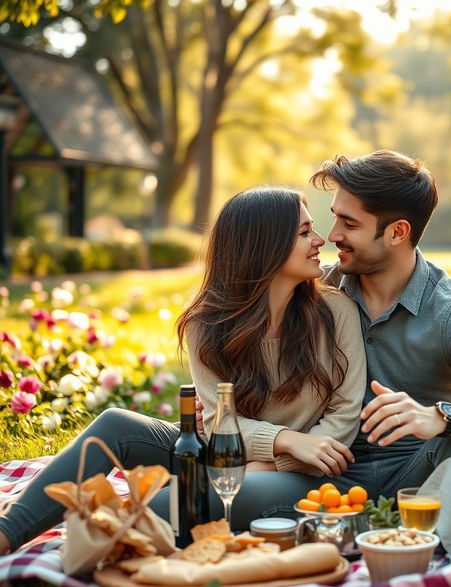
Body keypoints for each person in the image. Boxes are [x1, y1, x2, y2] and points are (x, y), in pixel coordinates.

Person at [195, 150, 451, 530]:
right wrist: (230, 417)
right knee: (195, 498)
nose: (332, 236)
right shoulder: (316, 288)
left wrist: (437, 417)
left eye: (349, 223)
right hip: (321, 477)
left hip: (417, 480)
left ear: (397, 232)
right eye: (333, 218)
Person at [0, 187, 366, 554]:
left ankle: (107, 529)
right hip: (222, 455)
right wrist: (284, 441)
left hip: (299, 475)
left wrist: (272, 465)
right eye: (304, 232)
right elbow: (219, 420)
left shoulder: (335, 313)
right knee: (114, 425)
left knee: (167, 504)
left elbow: (344, 417)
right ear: (264, 245)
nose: (320, 240)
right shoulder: (207, 323)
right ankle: (6, 534)